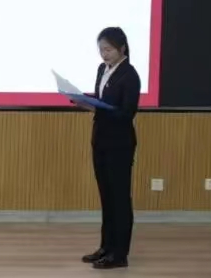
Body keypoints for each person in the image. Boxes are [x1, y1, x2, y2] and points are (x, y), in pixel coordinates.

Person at [77, 26, 141, 270]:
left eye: (108, 50)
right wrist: (86, 102)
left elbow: (126, 113)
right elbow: (102, 101)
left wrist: (98, 108)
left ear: (121, 48)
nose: (104, 54)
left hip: (119, 144)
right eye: (101, 50)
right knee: (106, 196)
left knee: (119, 198)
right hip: (101, 140)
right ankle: (106, 247)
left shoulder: (130, 75)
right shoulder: (102, 69)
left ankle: (119, 254)